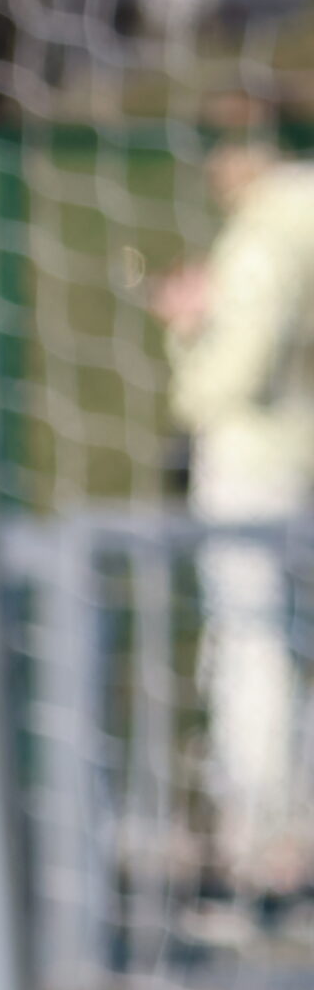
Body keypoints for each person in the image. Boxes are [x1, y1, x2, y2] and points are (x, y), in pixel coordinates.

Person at [155, 130, 314, 921]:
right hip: (299, 463)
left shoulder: (264, 236)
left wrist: (188, 332)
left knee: (253, 655)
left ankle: (264, 852)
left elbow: (237, 371)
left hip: (255, 471)